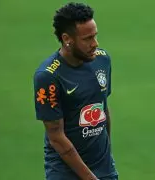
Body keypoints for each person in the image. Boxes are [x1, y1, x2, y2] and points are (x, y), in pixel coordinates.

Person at [33, 2, 118, 180]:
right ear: (67, 39)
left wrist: (106, 156)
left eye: (95, 36)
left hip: (104, 170)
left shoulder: (102, 60)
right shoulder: (48, 76)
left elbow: (103, 107)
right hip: (65, 173)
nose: (95, 43)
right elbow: (56, 137)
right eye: (87, 39)